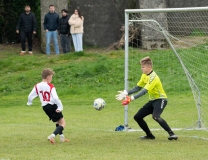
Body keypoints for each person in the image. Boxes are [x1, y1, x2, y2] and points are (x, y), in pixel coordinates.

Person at [116, 56, 178, 140]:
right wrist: (126, 93)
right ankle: (149, 135)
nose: (142, 69)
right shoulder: (144, 75)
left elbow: (144, 91)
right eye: (141, 67)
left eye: (143, 67)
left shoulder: (153, 77)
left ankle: (172, 134)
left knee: (155, 116)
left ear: (149, 67)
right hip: (152, 101)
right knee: (137, 117)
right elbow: (138, 87)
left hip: (160, 99)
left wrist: (131, 98)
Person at [27, 68, 69, 144]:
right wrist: (60, 106)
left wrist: (29, 102)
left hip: (45, 107)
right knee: (63, 123)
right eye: (51, 76)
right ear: (48, 77)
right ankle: (52, 136)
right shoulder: (50, 86)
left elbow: (30, 96)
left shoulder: (37, 86)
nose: (51, 78)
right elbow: (55, 98)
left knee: (57, 122)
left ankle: (62, 137)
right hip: (52, 105)